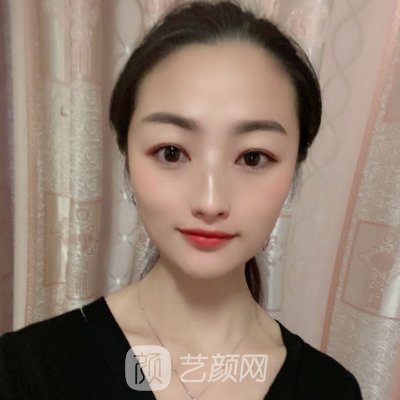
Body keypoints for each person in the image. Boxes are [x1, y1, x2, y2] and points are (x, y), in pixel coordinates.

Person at [0, 1, 363, 399]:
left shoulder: (331, 390)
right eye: (171, 153)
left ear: (294, 168)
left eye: (253, 157)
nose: (210, 201)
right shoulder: (25, 371)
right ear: (127, 158)